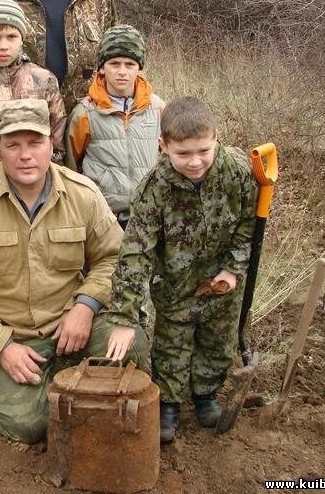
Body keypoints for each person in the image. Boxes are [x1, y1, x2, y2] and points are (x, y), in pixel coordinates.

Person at [0, 98, 148, 445]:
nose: (25, 155)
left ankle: (68, 374)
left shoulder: (82, 193)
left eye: (35, 143)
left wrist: (85, 306)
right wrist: (1, 345)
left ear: (52, 144)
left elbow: (115, 257)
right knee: (29, 428)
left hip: (71, 323)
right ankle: (70, 383)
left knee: (133, 346)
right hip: (12, 333)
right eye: (13, 145)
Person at [102, 97, 258, 443]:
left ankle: (206, 396)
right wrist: (125, 318)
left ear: (217, 138)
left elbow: (250, 226)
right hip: (174, 284)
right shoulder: (153, 188)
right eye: (183, 153)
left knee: (218, 342)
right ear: (163, 146)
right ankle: (169, 405)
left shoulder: (239, 172)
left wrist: (233, 270)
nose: (195, 161)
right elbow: (135, 255)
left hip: (223, 284)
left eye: (203, 150)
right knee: (172, 346)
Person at [65, 24, 164, 229]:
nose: (122, 72)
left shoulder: (158, 108)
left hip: (149, 216)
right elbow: (70, 167)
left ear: (139, 67)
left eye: (130, 64)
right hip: (103, 217)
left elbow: (175, 156)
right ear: (102, 67)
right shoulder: (85, 113)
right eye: (114, 63)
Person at [0, 0, 66, 170]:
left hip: (35, 182)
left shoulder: (44, 80)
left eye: (11, 37)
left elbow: (57, 141)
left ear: (22, 38)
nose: (3, 45)